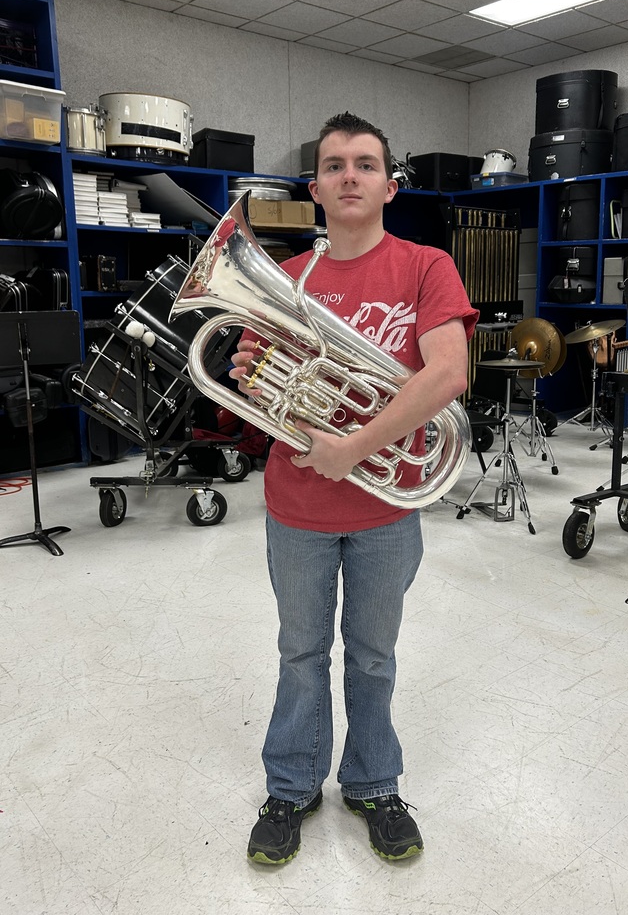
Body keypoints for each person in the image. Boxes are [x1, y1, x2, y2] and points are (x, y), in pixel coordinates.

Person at [229, 112, 478, 865]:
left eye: (364, 164)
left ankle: (373, 782)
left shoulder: (426, 266)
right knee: (300, 653)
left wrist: (354, 448)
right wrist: (251, 377)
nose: (349, 176)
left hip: (386, 501)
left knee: (372, 655)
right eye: (334, 165)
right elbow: (251, 382)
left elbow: (448, 375)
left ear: (389, 185)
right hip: (296, 506)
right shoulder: (284, 278)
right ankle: (293, 784)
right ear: (314, 189)